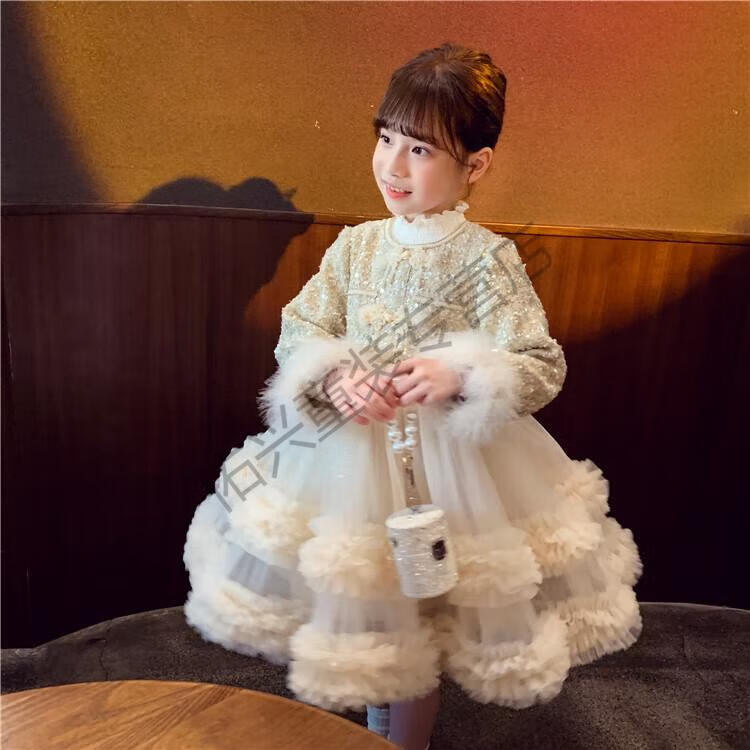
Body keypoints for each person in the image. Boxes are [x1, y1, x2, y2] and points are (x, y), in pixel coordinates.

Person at [183, 42, 644, 750]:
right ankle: (374, 730)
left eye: (421, 150)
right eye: (386, 139)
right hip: (346, 462)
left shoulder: (486, 257)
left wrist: (463, 374)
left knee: (424, 614)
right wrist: (334, 375)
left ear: (475, 165)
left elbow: (539, 363)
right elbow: (302, 328)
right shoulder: (357, 247)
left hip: (454, 475)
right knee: (365, 605)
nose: (393, 166)